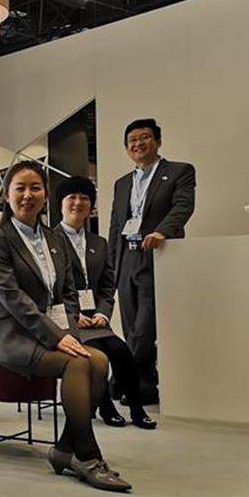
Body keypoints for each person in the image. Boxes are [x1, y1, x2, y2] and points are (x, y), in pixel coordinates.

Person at [0, 160, 131, 492]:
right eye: (20, 188)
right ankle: (87, 456)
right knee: (78, 363)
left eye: (36, 188)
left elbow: (68, 293)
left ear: (46, 195)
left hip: (52, 330)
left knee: (99, 360)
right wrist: (57, 337)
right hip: (10, 334)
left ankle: (63, 449)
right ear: (6, 195)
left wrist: (68, 333)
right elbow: (12, 298)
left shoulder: (54, 238)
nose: (28, 195)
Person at [53, 176, 156, 430]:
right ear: (60, 204)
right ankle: (105, 406)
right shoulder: (49, 240)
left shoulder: (99, 243)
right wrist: (73, 315)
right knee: (96, 355)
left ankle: (136, 408)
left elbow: (109, 284)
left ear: (91, 206)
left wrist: (103, 313)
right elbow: (50, 286)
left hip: (96, 319)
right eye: (72, 197)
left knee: (122, 352)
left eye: (84, 198)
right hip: (67, 319)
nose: (78, 203)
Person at [108, 119, 196, 405]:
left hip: (157, 255)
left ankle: (121, 380)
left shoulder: (179, 171)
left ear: (158, 141)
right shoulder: (122, 183)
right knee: (131, 326)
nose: (138, 144)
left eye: (144, 137)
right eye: (132, 140)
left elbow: (183, 205)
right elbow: (115, 225)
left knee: (145, 329)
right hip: (126, 257)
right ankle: (145, 385)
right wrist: (111, 267)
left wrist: (163, 231)